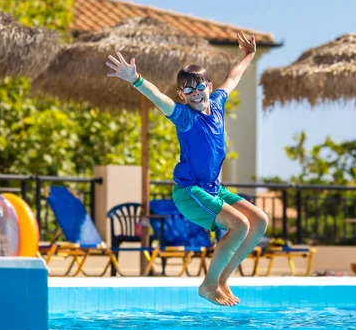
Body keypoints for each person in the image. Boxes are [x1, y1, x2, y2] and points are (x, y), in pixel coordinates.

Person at [105, 32, 268, 306]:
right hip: (189, 191)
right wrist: (135, 79)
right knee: (238, 225)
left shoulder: (217, 104)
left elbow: (234, 77)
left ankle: (222, 280)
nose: (195, 93)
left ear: (208, 86)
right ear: (182, 94)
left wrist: (249, 55)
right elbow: (157, 96)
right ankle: (208, 285)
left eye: (199, 87)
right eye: (187, 90)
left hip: (214, 189)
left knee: (259, 221)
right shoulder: (184, 116)